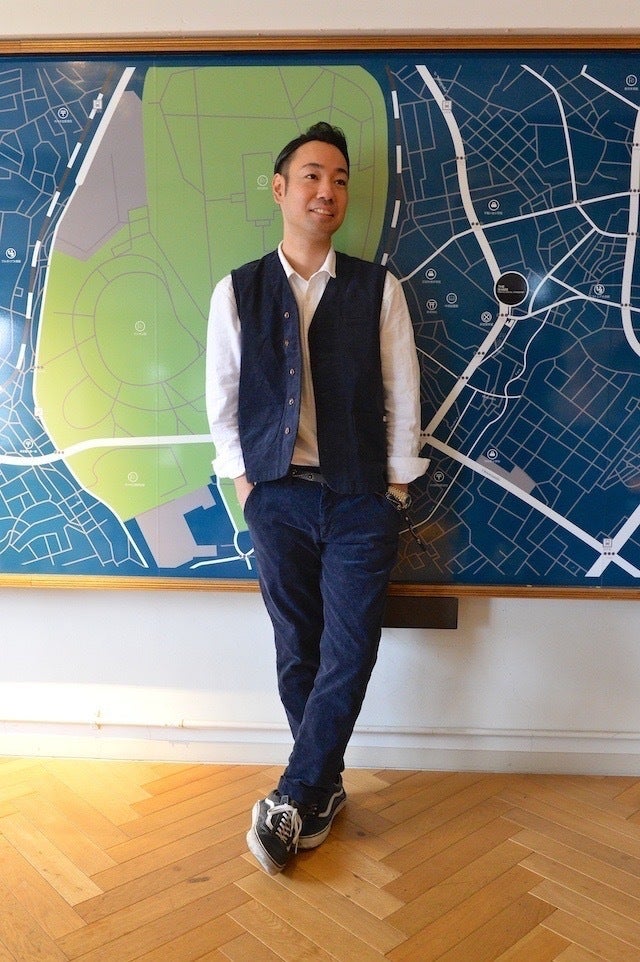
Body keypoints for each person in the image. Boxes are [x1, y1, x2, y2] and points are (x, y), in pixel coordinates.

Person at [206, 121, 427, 875]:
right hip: (277, 496)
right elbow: (222, 398)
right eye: (311, 176)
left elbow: (402, 391)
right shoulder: (237, 289)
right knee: (296, 645)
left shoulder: (376, 287)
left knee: (350, 648)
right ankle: (320, 791)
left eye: (338, 179)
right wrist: (247, 487)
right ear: (280, 188)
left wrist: (394, 487)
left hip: (362, 499)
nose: (326, 191)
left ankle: (297, 794)